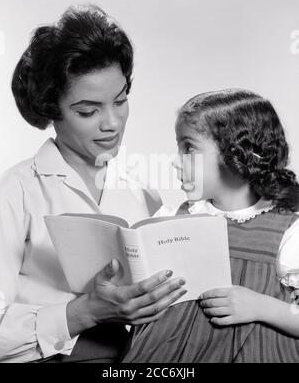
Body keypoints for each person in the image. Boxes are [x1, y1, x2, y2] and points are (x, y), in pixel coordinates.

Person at [0, 4, 186, 363]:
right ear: (51, 108)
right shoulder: (16, 193)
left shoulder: (142, 192)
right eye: (88, 111)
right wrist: (84, 312)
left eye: (121, 101)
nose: (112, 123)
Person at [122, 88, 299, 363]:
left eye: (188, 147)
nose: (174, 160)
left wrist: (261, 307)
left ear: (237, 153)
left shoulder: (287, 231)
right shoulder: (170, 219)